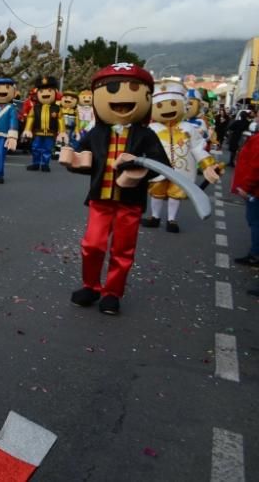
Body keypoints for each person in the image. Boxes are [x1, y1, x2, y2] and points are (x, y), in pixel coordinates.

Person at [59, 63, 170, 316]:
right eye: (111, 89)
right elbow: (81, 155)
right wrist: (73, 161)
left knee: (122, 249)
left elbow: (161, 165)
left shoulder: (146, 135)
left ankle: (112, 292)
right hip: (100, 199)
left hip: (130, 202)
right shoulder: (96, 132)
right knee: (93, 244)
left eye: (132, 89)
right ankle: (91, 285)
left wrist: (137, 167)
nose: (121, 101)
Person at [143, 79, 220, 233]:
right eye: (159, 105)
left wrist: (207, 164)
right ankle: (155, 217)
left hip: (182, 171)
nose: (166, 109)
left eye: (173, 104)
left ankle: (172, 220)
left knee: (176, 194)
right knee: (157, 192)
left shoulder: (188, 128)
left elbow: (198, 148)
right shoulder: (151, 128)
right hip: (158, 169)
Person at [22, 75, 68, 172]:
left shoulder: (57, 108)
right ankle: (36, 163)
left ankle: (45, 164)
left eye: (49, 91)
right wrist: (27, 129)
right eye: (41, 91)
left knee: (47, 149)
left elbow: (60, 120)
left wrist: (62, 132)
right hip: (38, 132)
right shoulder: (35, 108)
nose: (45, 93)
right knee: (35, 148)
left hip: (50, 133)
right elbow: (30, 118)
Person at [232, 132, 259, 270]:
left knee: (255, 222)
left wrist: (246, 187)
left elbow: (256, 167)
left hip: (255, 191)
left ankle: (255, 255)